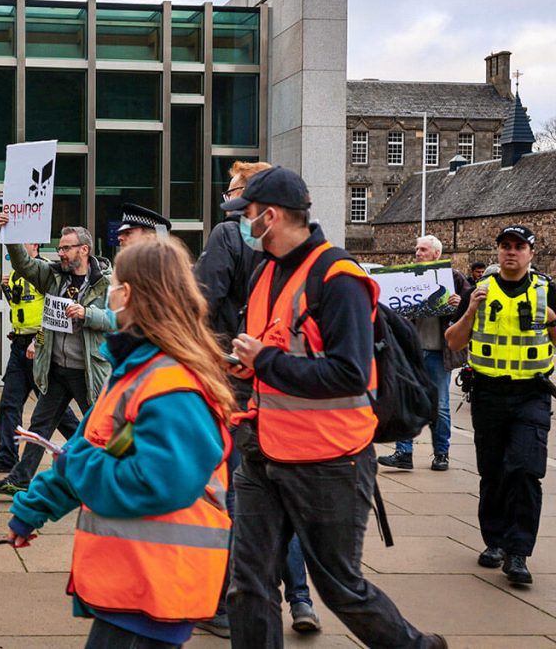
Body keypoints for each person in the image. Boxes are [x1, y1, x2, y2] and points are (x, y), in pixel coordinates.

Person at [222, 166, 446, 648]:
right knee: (248, 584)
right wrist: (247, 366)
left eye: (246, 215)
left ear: (271, 216)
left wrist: (267, 361)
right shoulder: (265, 272)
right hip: (263, 454)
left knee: (341, 588)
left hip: (329, 461)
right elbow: (275, 352)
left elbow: (348, 374)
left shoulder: (338, 277)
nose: (241, 224)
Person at [3, 237, 235, 648]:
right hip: (138, 582)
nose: (109, 290)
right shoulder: (136, 370)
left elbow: (154, 479)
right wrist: (32, 510)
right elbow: (95, 446)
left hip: (159, 582)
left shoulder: (169, 382)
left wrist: (80, 466)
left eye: (115, 283)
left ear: (125, 295)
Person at [194, 160, 321, 638]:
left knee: (241, 494)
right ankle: (301, 598)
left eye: (237, 197)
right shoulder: (295, 259)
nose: (231, 207)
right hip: (285, 395)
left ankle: (228, 603)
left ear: (262, 208)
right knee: (276, 494)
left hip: (239, 381)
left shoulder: (229, 237)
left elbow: (204, 301)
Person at [445, 225, 556, 586]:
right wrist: (469, 312)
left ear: (531, 253)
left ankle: (518, 551)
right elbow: (454, 341)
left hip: (532, 394)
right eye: (505, 246)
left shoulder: (546, 291)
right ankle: (494, 541)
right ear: (498, 252)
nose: (511, 252)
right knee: (493, 473)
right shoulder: (481, 291)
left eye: (519, 247)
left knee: (526, 471)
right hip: (489, 394)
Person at [0, 216, 112, 495]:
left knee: (98, 428)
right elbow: (25, 265)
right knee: (39, 425)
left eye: (66, 248)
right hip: (56, 369)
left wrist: (87, 314)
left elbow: (117, 320)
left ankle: (108, 478)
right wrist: (12, 233)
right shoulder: (54, 276)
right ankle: (20, 479)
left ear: (84, 249)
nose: (60, 253)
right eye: (60, 248)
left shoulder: (106, 283)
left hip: (88, 371)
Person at [0, 243, 78, 474]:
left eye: (24, 241)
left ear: (35, 244)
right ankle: (5, 456)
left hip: (39, 347)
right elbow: (20, 307)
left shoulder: (45, 272)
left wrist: (38, 340)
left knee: (55, 410)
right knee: (10, 404)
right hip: (20, 346)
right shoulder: (15, 274)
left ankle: (87, 448)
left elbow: (54, 312)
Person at [378, 235, 470, 472]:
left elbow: (471, 309)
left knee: (439, 405)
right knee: (405, 398)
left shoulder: (454, 278)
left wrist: (460, 303)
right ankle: (403, 452)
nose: (418, 253)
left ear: (436, 254)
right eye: (417, 249)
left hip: (439, 352)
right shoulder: (408, 277)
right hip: (413, 350)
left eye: (423, 249)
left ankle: (441, 454)